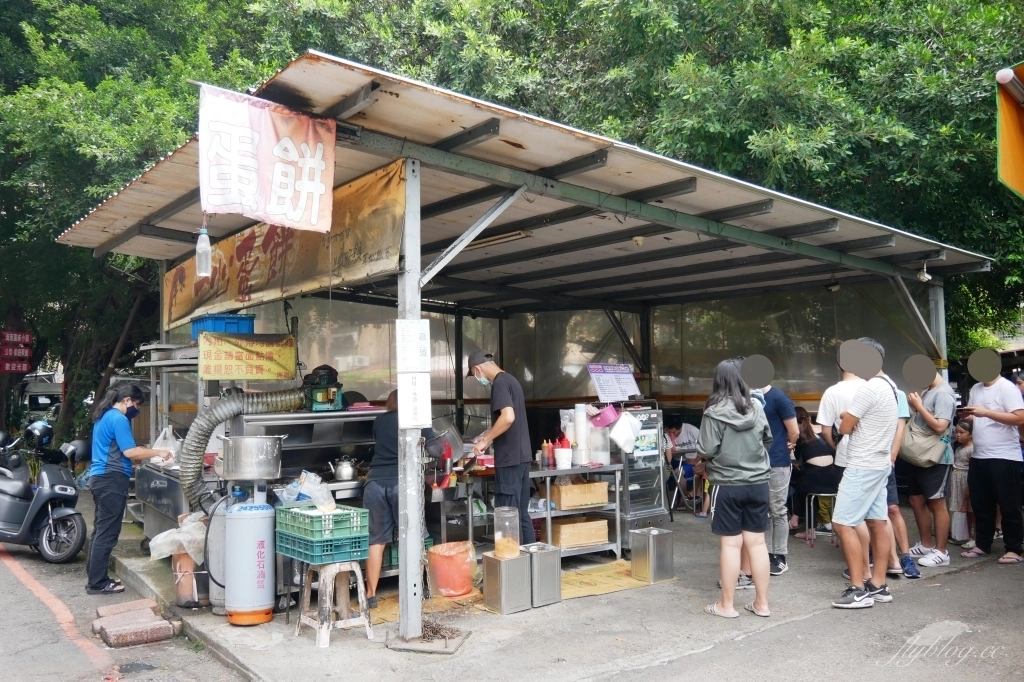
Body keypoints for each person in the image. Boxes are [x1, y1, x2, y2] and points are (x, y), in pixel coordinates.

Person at [698, 359, 773, 619]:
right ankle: (762, 604)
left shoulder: (713, 412)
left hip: (727, 484)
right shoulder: (757, 408)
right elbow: (768, 439)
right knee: (757, 543)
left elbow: (706, 448)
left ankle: (726, 606)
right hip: (759, 483)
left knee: (731, 545)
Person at [87, 384, 171, 595]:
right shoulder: (119, 419)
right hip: (111, 479)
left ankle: (97, 578)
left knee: (100, 531)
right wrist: (158, 452)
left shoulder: (104, 416)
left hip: (101, 478)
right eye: (137, 404)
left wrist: (142, 451)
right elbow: (130, 452)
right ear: (126, 400)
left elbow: (121, 449)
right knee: (107, 533)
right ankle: (97, 583)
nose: (137, 409)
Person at [833, 337, 897, 609]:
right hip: (880, 463)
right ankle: (878, 584)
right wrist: (850, 417)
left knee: (842, 523)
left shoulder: (869, 388)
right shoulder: (889, 385)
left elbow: (845, 427)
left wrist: (845, 417)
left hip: (862, 464)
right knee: (877, 521)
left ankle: (858, 589)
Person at [364, 390, 432, 609]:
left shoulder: (379, 420)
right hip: (402, 483)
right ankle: (416, 589)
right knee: (414, 536)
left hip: (374, 483)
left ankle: (371, 595)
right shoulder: (417, 421)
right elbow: (434, 446)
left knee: (376, 541)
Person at [468, 350, 536, 545]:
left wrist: (486, 440)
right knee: (521, 514)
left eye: (474, 374)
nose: (477, 379)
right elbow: (508, 420)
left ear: (477, 369)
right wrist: (487, 435)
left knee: (508, 516)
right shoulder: (511, 380)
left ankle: (513, 560)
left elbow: (508, 417)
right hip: (522, 457)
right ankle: (529, 559)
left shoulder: (499, 383)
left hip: (509, 459)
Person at [960, 372, 1024, 564]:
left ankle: (1014, 548)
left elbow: (1020, 417)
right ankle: (982, 544)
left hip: (1005, 456)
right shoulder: (976, 388)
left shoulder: (1007, 388)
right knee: (981, 504)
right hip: (979, 455)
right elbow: (978, 417)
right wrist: (969, 417)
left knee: (1009, 504)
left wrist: (986, 413)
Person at [904, 371, 957, 567]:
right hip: (918, 454)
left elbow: (941, 426)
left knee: (936, 502)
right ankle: (926, 545)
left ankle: (942, 552)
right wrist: (916, 407)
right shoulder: (929, 391)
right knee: (916, 500)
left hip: (936, 457)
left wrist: (919, 406)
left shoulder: (943, 393)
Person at [760, 384, 798, 576]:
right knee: (761, 509)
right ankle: (764, 553)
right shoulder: (748, 397)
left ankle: (779, 556)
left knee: (777, 509)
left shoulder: (779, 398)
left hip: (776, 462)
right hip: (756, 463)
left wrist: (789, 445)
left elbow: (794, 431)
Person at [788, 407, 839, 535]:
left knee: (801, 486)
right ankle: (807, 528)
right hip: (832, 479)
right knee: (808, 487)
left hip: (813, 479)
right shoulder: (825, 430)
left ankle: (797, 521)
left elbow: (798, 457)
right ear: (809, 418)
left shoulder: (799, 435)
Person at [949, 418, 975, 548]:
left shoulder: (972, 449)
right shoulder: (959, 447)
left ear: (971, 434)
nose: (958, 435)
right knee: (961, 509)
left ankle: (974, 536)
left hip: (965, 479)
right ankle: (962, 535)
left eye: (962, 432)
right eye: (956, 432)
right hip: (956, 478)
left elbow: (973, 469)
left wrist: (969, 486)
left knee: (970, 509)